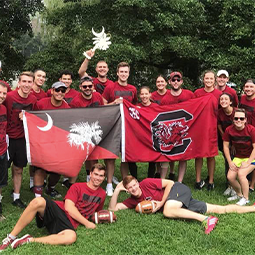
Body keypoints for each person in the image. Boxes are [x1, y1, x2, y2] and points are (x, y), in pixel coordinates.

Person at [0, 163, 106, 251]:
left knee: (71, 237)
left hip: (68, 224)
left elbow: (96, 213)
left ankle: (28, 240)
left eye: (101, 176)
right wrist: (87, 223)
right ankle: (11, 237)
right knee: (38, 201)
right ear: (91, 174)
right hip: (59, 211)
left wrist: (107, 215)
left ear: (104, 177)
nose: (98, 178)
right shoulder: (77, 186)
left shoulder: (102, 194)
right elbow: (69, 208)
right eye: (96, 174)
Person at [109, 176, 255, 234]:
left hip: (177, 190)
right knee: (219, 208)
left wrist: (160, 204)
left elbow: (170, 183)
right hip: (177, 203)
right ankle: (252, 208)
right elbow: (112, 209)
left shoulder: (146, 183)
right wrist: (116, 191)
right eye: (130, 188)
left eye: (135, 185)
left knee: (167, 211)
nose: (134, 189)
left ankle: (205, 220)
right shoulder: (132, 201)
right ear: (127, 190)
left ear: (138, 183)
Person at [4, 72, 37, 208]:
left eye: (29, 82)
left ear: (33, 84)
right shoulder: (9, 97)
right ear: (19, 82)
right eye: (24, 81)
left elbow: (36, 118)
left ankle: (16, 196)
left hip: (23, 139)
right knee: (2, 168)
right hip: (6, 138)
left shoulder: (33, 100)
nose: (26, 85)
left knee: (18, 169)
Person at [33, 81, 70, 199]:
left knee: (57, 170)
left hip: (58, 144)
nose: (60, 93)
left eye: (63, 91)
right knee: (40, 170)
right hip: (42, 142)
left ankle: (50, 188)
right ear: (52, 91)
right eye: (57, 90)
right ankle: (37, 196)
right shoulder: (41, 104)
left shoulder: (67, 108)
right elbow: (32, 118)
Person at [102, 62, 138, 184]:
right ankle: (109, 182)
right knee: (111, 155)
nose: (123, 74)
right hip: (112, 125)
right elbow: (102, 106)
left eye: (125, 72)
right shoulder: (110, 87)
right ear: (117, 73)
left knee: (125, 156)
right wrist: (114, 103)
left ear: (129, 73)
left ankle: (125, 181)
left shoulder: (133, 89)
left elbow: (135, 107)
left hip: (127, 126)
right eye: (121, 72)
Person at [67, 76, 104, 188]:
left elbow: (103, 111)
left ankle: (91, 179)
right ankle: (71, 184)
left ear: (93, 86)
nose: (87, 88)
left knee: (93, 157)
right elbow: (72, 119)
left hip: (96, 129)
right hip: (81, 131)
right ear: (80, 87)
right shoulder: (75, 101)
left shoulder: (97, 96)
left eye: (90, 86)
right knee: (80, 158)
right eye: (85, 86)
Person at [161, 71, 195, 182]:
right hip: (171, 130)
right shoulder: (165, 98)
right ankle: (163, 181)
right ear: (169, 82)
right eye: (173, 80)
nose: (176, 82)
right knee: (167, 154)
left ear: (182, 82)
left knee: (182, 155)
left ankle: (179, 182)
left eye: (178, 80)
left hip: (185, 129)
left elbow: (196, 109)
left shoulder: (189, 95)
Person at [194, 70, 222, 190]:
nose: (209, 81)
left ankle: (211, 181)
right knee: (198, 155)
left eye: (211, 79)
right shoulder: (197, 93)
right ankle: (198, 180)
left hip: (212, 128)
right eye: (207, 78)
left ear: (214, 80)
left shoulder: (219, 94)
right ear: (203, 79)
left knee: (211, 155)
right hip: (199, 128)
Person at [223, 108, 255, 206]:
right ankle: (239, 194)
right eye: (236, 118)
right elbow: (225, 146)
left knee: (241, 174)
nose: (238, 121)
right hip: (238, 157)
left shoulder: (252, 130)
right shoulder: (229, 130)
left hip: (252, 157)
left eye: (241, 119)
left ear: (245, 120)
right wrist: (230, 162)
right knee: (230, 177)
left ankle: (246, 199)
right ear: (233, 119)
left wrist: (248, 162)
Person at [218, 93, 236, 197]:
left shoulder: (236, 113)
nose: (223, 101)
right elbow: (219, 126)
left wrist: (233, 144)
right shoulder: (220, 112)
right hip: (225, 140)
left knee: (235, 162)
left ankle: (236, 185)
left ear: (231, 102)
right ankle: (229, 185)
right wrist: (226, 139)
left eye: (226, 99)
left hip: (238, 141)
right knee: (227, 161)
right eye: (221, 99)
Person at [0, 82, 8, 217]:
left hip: (2, 150)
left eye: (4, 94)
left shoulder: (3, 109)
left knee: (0, 181)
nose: (1, 96)